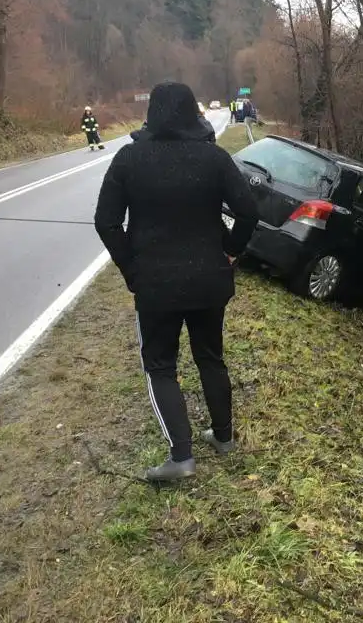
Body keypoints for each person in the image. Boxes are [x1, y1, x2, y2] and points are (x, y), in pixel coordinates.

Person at [94, 81, 260, 482]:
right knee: (210, 356)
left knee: (160, 365)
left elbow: (106, 222)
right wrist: (231, 251)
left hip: (155, 285)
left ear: (152, 113)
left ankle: (182, 456)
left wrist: (131, 270)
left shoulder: (129, 159)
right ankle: (223, 437)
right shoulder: (214, 158)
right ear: (192, 113)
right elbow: (249, 212)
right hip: (209, 280)